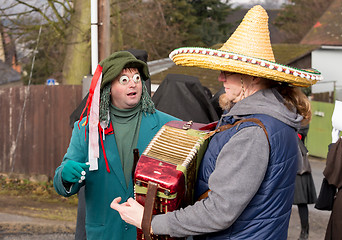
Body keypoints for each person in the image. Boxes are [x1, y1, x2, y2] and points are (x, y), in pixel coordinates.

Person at [110, 5, 322, 240]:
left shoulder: (252, 132)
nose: (220, 77)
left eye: (227, 71)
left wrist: (150, 221)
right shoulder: (274, 122)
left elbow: (220, 211)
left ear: (251, 76)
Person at [53, 51, 178, 240]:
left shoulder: (169, 126)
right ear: (108, 88)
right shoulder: (86, 128)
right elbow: (61, 185)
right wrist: (65, 176)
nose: (133, 83)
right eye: (124, 80)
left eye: (137, 78)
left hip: (150, 233)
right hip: (105, 234)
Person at [293, 124, 317, 240]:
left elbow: (300, 136)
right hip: (287, 162)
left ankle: (304, 231)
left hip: (299, 167)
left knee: (301, 202)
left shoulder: (302, 122)